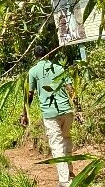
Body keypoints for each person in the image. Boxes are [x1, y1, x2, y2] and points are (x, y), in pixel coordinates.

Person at [22, 45, 76, 187]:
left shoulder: (33, 71)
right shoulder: (59, 68)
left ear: (35, 57)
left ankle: (65, 182)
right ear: (48, 55)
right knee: (66, 139)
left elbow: (30, 94)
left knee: (57, 145)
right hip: (66, 110)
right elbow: (71, 89)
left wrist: (25, 113)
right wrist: (79, 108)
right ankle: (69, 172)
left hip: (50, 114)